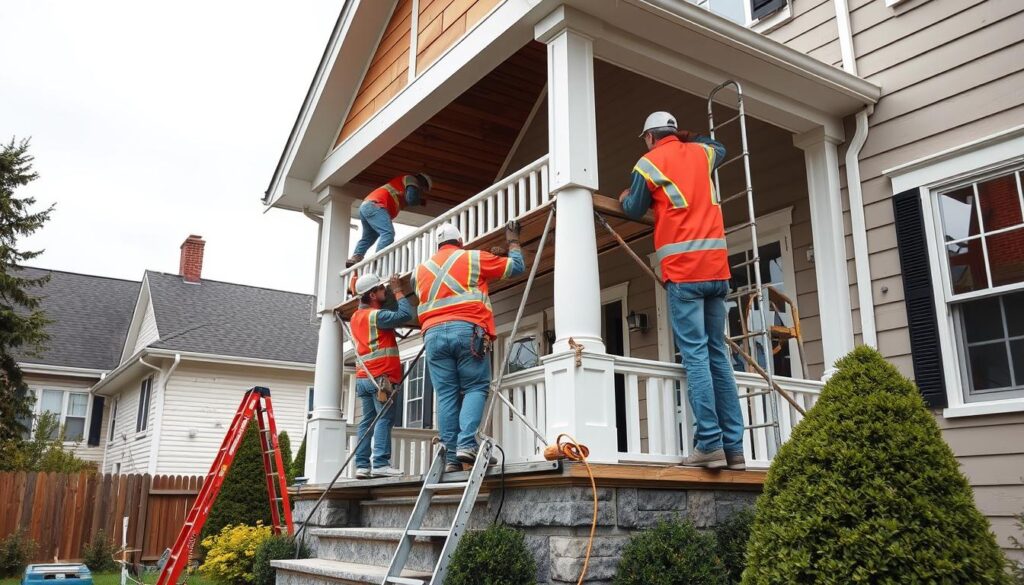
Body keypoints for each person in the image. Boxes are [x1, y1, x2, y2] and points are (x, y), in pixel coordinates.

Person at [619, 111, 745, 471]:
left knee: (696, 357)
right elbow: (719, 146)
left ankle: (709, 444)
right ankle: (734, 449)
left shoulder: (648, 163)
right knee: (717, 355)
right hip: (717, 270)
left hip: (685, 272)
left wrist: (626, 195)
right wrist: (688, 138)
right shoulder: (702, 153)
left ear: (649, 137)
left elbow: (633, 208)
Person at [413, 222, 525, 472]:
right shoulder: (474, 258)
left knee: (446, 395)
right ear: (460, 242)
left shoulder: (420, 271)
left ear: (438, 245)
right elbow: (516, 267)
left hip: (433, 335)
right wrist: (513, 242)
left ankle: (452, 458)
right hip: (467, 330)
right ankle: (466, 445)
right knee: (475, 386)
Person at [350, 272, 413, 479]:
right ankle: (380, 464)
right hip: (381, 378)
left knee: (367, 421)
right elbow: (405, 314)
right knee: (384, 418)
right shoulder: (376, 316)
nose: (384, 290)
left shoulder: (355, 317)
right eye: (380, 288)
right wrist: (398, 290)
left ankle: (362, 465)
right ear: (372, 295)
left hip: (364, 377)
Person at [347, 174, 431, 267]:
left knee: (369, 237)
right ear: (422, 183)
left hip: (367, 206)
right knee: (388, 233)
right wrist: (420, 201)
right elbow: (411, 199)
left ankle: (355, 258)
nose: (421, 191)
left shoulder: (401, 188)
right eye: (423, 189)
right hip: (375, 205)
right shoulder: (412, 179)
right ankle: (378, 260)